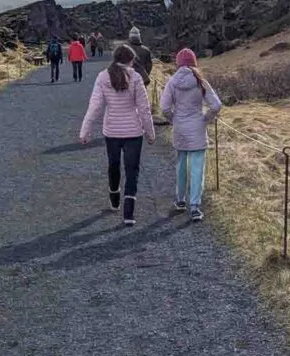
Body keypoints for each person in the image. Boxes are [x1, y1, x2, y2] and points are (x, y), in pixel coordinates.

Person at [80, 44, 156, 225]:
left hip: (112, 130)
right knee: (132, 170)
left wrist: (85, 131)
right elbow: (144, 109)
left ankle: (114, 196)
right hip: (133, 131)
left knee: (113, 165)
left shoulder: (102, 77)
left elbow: (95, 106)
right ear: (130, 60)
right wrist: (150, 133)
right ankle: (128, 214)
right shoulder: (136, 77)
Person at [160, 48, 221, 222]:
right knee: (197, 168)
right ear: (194, 63)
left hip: (180, 127)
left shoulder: (172, 82)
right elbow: (216, 105)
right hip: (197, 127)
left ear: (178, 63)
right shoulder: (201, 82)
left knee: (181, 165)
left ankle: (180, 200)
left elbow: (164, 108)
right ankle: (195, 206)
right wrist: (205, 119)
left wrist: (174, 119)